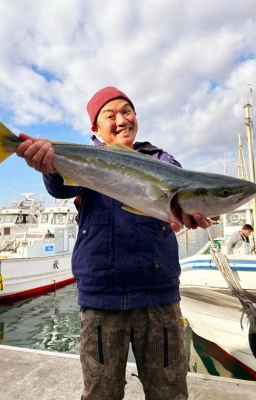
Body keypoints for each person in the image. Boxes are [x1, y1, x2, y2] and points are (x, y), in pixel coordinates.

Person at [16, 86, 218, 400]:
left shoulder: (161, 160)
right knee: (101, 393)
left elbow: (185, 191)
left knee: (169, 392)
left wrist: (196, 211)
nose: (122, 119)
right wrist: (50, 167)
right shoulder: (85, 160)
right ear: (95, 129)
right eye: (110, 115)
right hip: (102, 300)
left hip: (158, 296)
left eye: (127, 110)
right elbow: (62, 189)